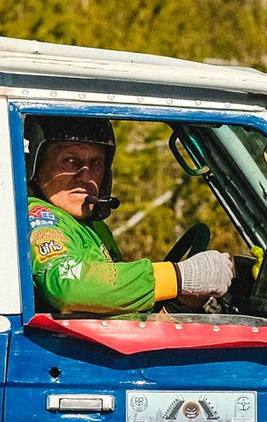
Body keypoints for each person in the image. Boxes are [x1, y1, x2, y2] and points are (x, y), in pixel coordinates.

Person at [26, 115, 234, 316]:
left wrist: (181, 304)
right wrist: (177, 277)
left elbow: (111, 305)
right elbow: (69, 286)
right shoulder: (40, 218)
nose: (86, 176)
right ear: (36, 164)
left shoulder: (92, 227)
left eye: (97, 163)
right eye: (69, 160)